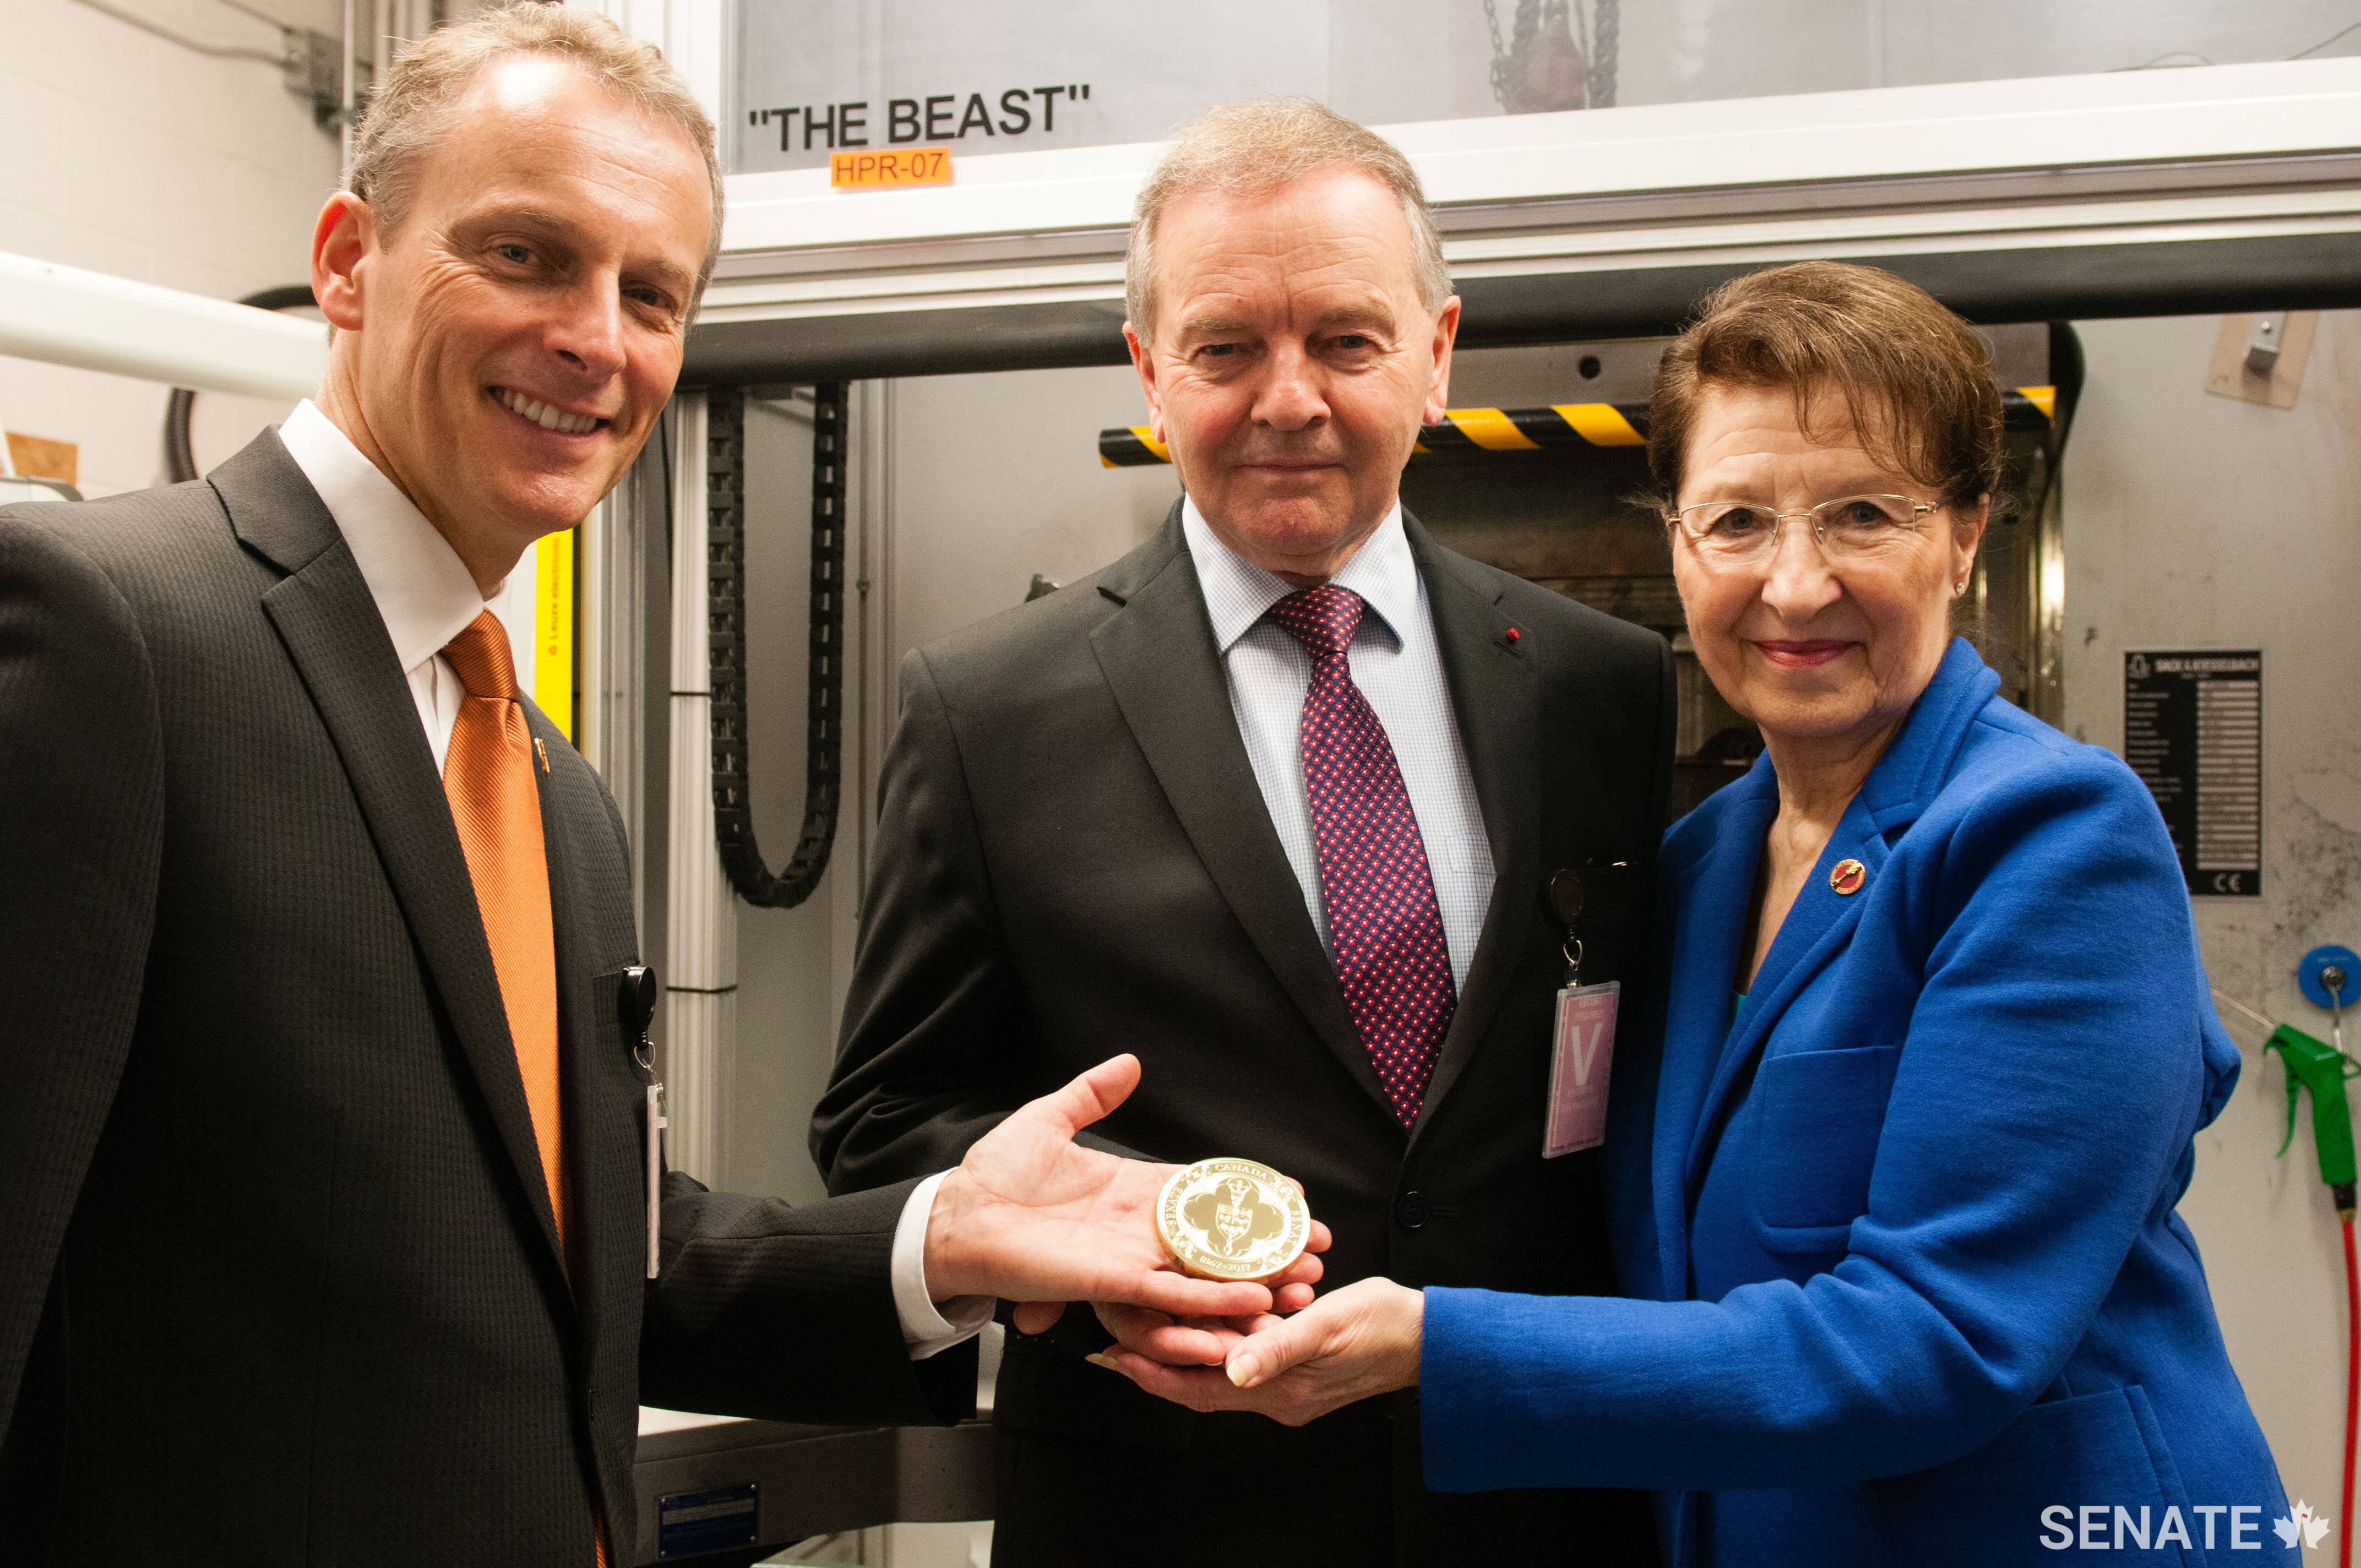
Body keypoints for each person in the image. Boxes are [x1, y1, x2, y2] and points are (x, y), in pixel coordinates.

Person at [0, 12, 1315, 1564]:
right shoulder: (113, 634)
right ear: (348, 261)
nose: (597, 340)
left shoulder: (553, 788)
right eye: (526, 255)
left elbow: (595, 1269)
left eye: (653, 295)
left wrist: (941, 1240)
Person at [1105, 260, 2291, 1566]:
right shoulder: (1694, 860)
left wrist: (1433, 1345)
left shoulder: (2049, 838)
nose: (1792, 585)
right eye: (1734, 521)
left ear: (1964, 529)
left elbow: (1937, 1338)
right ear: (1675, 538)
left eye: (1860, 514)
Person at [814, 97, 1672, 1566]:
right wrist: (1103, 1253)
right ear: (1150, 370)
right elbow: (880, 1129)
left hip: (1537, 1506)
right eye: (1225, 347)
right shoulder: (988, 710)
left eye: (1345, 339)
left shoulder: (1599, 684)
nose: (1290, 400)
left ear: (1436, 353)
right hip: (1164, 1506)